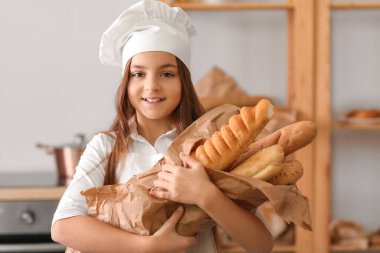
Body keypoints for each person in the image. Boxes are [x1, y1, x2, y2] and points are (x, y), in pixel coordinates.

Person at [51, 1, 274, 252]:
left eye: (167, 74)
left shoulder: (209, 145)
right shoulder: (107, 147)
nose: (152, 86)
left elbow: (261, 244)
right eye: (139, 74)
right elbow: (63, 226)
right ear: (126, 83)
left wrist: (206, 195)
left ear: (184, 81)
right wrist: (147, 246)